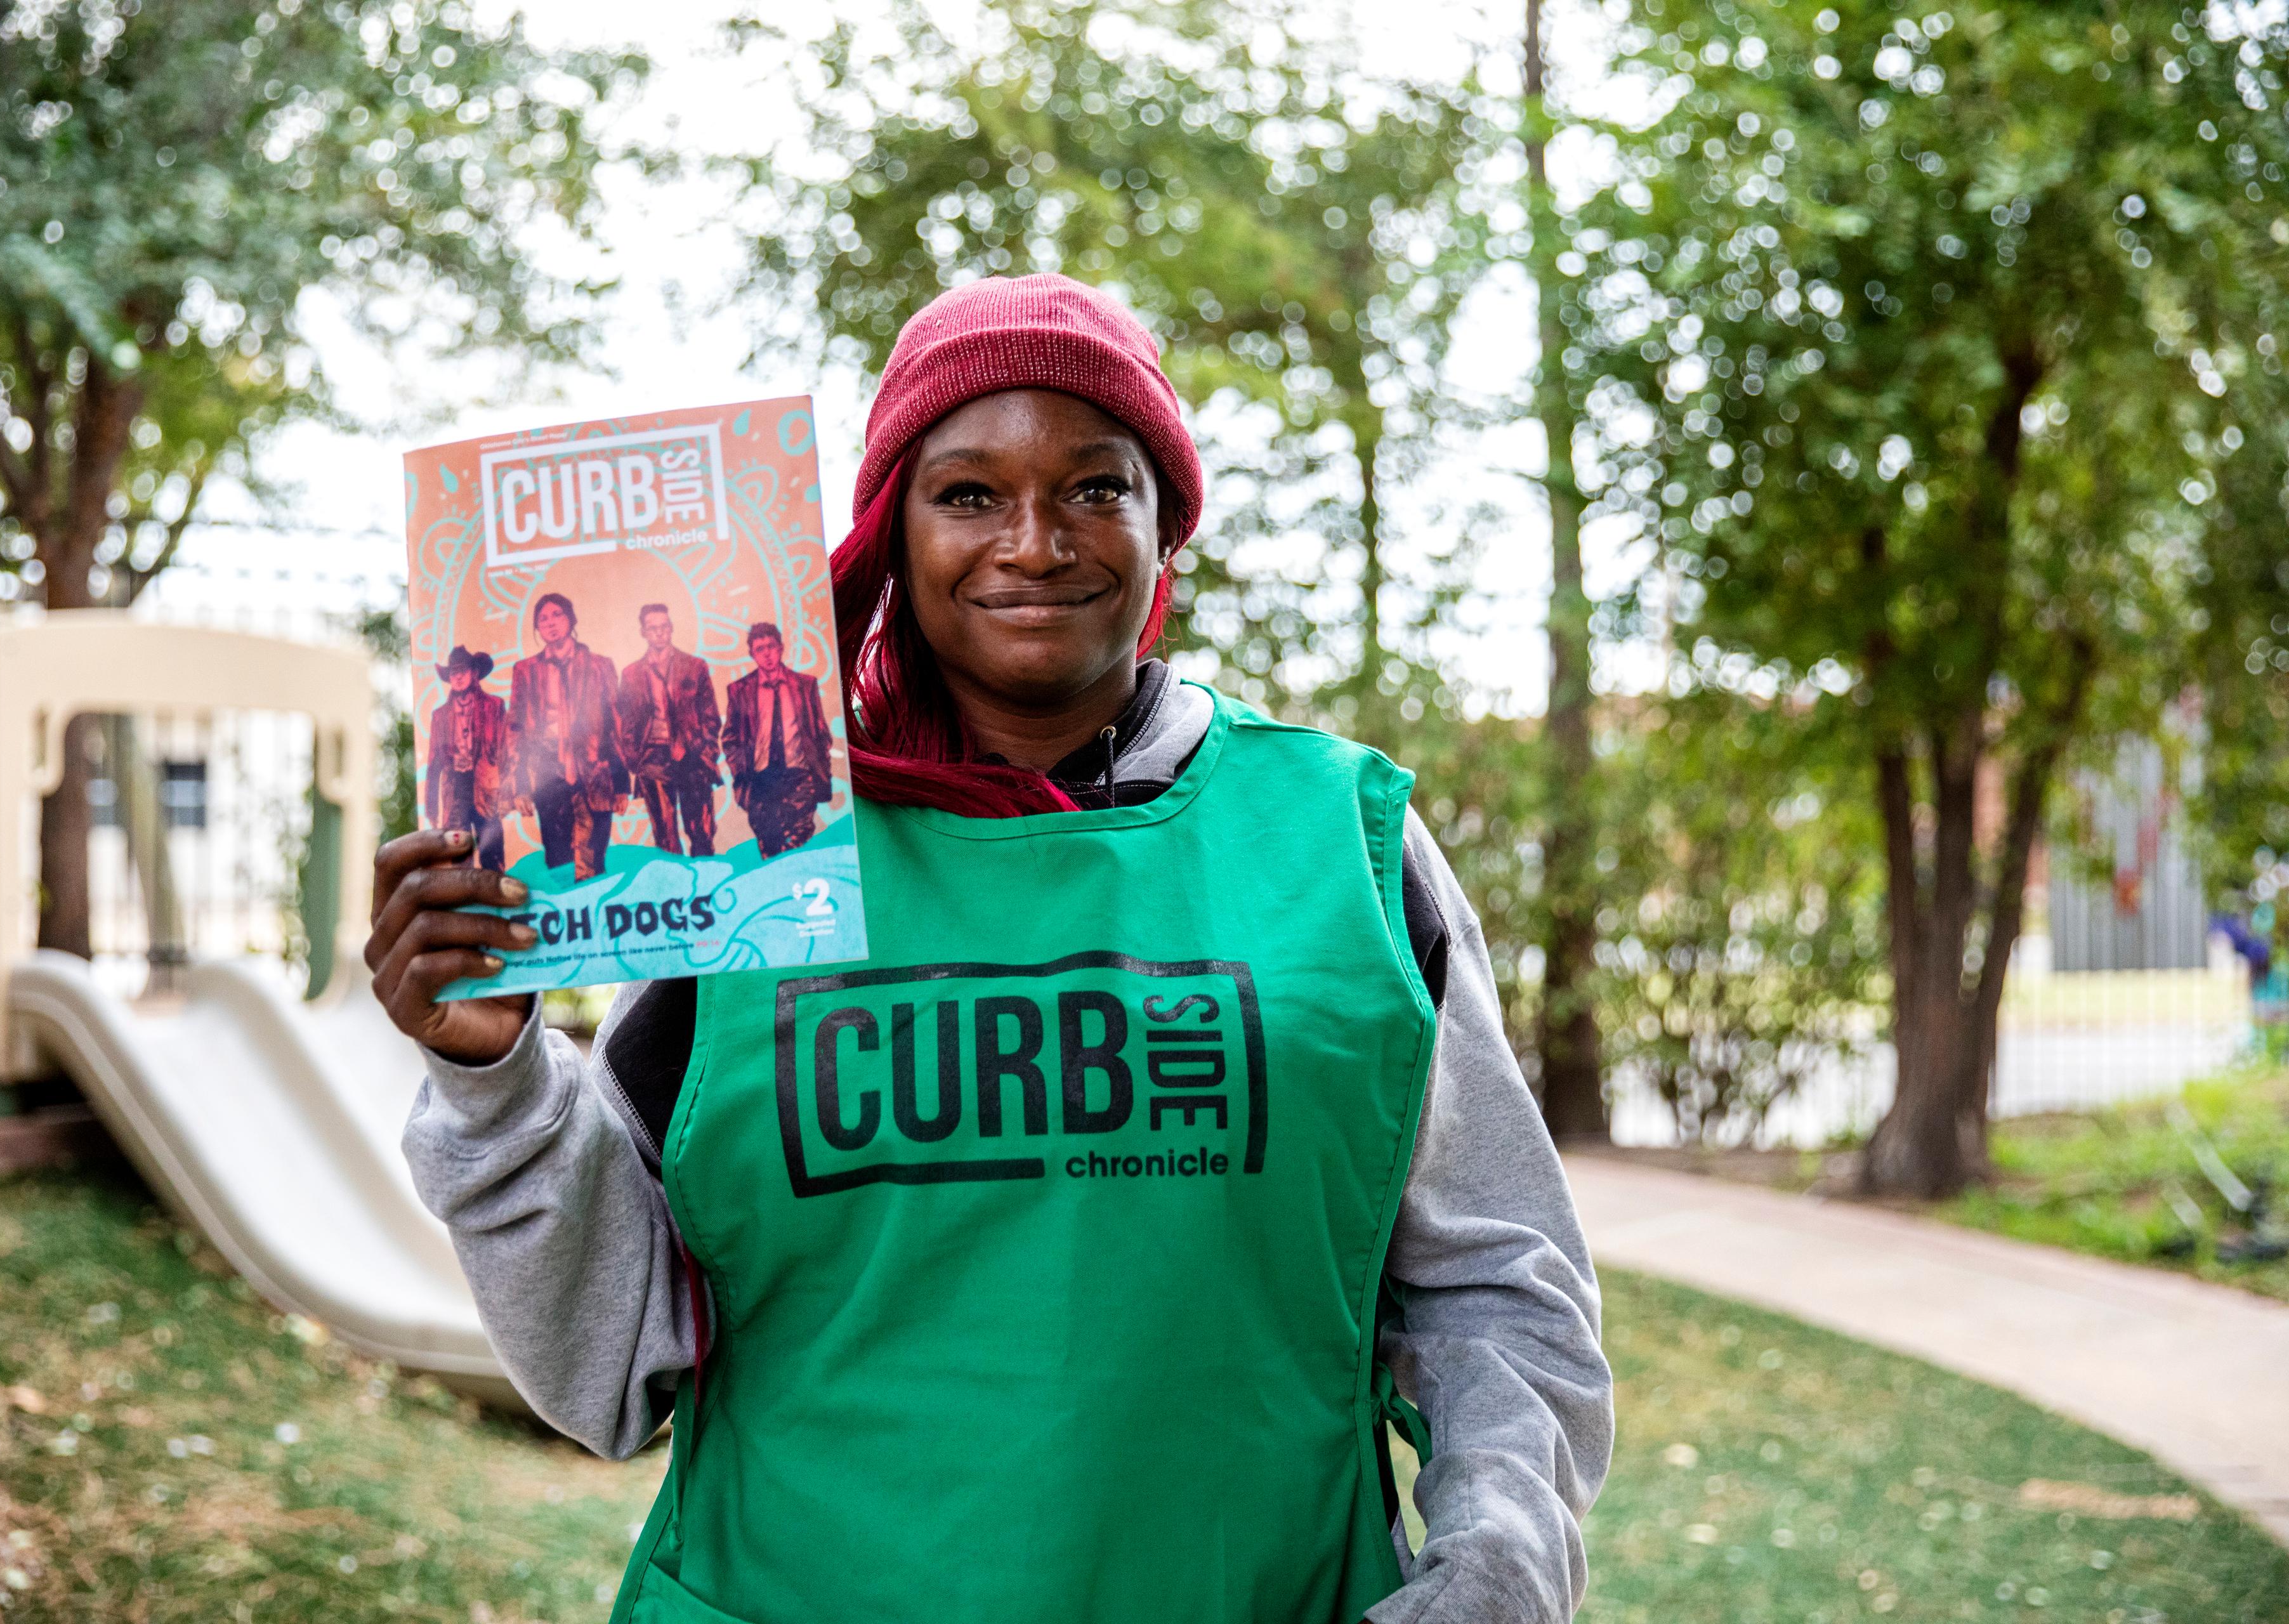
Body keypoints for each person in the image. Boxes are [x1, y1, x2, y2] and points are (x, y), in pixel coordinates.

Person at [368, 274, 1612, 1624]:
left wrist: (1497, 1568)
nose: (1035, 540)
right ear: (891, 531)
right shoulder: (760, 855)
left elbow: (1499, 1281)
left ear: (1163, 528)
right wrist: (494, 1081)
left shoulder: (1340, 842)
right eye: (968, 493)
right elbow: (611, 1370)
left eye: (1096, 487)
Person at [506, 591, 623, 882]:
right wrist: (520, 784)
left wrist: (621, 783)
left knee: (594, 860)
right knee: (558, 860)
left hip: (594, 769)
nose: (550, 623)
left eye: (557, 615)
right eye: (543, 619)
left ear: (571, 619)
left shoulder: (600, 666)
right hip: (548, 770)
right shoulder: (525, 671)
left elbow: (615, 724)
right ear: (537, 629)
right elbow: (516, 729)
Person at [616, 603, 722, 856]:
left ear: (672, 628)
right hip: (653, 757)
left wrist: (705, 750)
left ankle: (707, 886)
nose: (660, 633)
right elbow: (625, 721)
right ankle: (680, 890)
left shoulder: (695, 666)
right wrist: (635, 760)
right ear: (643, 632)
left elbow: (710, 715)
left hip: (692, 755)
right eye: (653, 629)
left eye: (664, 627)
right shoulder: (631, 674)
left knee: (702, 832)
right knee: (665, 836)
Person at [721, 620, 833, 858]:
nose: (767, 654)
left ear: (781, 648)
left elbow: (821, 733)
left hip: (799, 775)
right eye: (760, 649)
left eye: (771, 646)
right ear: (752, 654)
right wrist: (740, 769)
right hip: (761, 779)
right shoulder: (740, 691)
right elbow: (730, 737)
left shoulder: (805, 685)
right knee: (769, 846)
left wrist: (819, 771)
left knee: (800, 841)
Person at [423, 645, 507, 873]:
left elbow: (505, 750)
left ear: (474, 673)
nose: (458, 677)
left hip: (486, 784)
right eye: (453, 672)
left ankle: (497, 895)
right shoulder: (440, 716)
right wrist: (430, 806)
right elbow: (433, 763)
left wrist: (509, 792)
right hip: (455, 787)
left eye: (463, 670)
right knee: (458, 849)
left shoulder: (494, 706)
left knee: (492, 849)